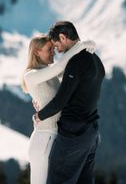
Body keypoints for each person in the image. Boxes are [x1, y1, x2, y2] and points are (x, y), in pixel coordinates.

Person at [33, 21, 105, 184]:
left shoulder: (75, 63)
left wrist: (39, 115)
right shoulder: (96, 60)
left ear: (63, 37)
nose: (57, 51)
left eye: (56, 45)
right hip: (92, 133)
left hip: (73, 133)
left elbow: (60, 100)